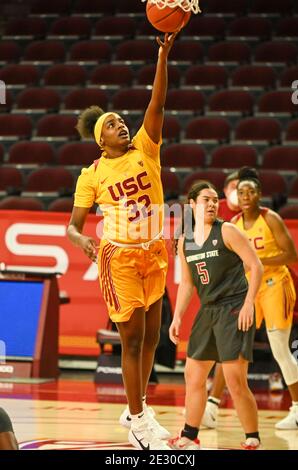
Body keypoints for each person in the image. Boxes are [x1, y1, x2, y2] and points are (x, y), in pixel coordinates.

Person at [67, 32, 179, 450]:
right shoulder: (91, 175)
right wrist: (80, 239)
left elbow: (159, 103)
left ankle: (141, 406)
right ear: (101, 140)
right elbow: (73, 224)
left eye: (120, 119)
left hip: (154, 253)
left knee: (151, 338)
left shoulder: (147, 148)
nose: (122, 124)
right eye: (112, 124)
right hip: (120, 258)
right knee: (131, 340)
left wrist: (163, 53)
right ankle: (135, 421)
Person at [168, 181, 263, 450]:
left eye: (215, 200)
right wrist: (177, 318)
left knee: (235, 381)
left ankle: (252, 436)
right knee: (193, 376)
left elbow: (255, 267)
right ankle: (189, 434)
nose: (212, 204)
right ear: (192, 205)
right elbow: (187, 285)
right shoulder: (185, 242)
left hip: (234, 308)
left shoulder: (228, 231)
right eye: (206, 199)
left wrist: (248, 303)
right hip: (207, 311)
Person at [233, 167, 298, 430]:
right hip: (251, 290)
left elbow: (292, 255)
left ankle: (297, 410)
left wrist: (257, 262)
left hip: (275, 284)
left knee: (280, 348)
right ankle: (214, 405)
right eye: (241, 192)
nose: (246, 195)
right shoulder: (234, 225)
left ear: (259, 194)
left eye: (250, 191)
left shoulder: (270, 218)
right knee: (234, 347)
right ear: (236, 197)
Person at [201, 170, 241, 428]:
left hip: (262, 289)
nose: (240, 193)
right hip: (230, 293)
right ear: (225, 191)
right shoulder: (218, 216)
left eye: (244, 188)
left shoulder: (261, 216)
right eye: (235, 187)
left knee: (282, 350)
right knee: (223, 348)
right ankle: (212, 405)